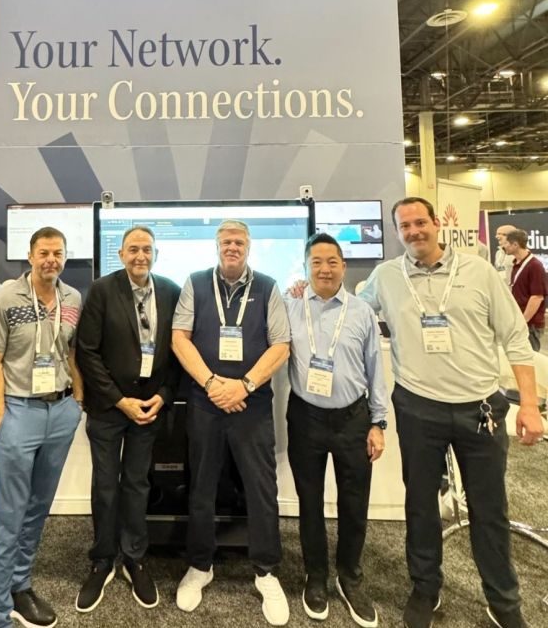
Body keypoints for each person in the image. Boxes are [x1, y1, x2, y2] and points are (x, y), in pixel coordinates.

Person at [359, 197, 543, 628]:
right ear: (397, 232)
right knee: (420, 504)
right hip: (418, 407)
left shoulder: (479, 272)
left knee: (489, 508)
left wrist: (530, 405)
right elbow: (352, 310)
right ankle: (426, 588)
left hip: (480, 407)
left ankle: (504, 600)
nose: (413, 231)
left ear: (436, 224)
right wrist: (303, 293)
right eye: (404, 226)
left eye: (420, 222)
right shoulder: (386, 276)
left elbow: (516, 338)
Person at [171, 219, 292, 626]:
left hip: (251, 404)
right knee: (202, 485)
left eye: (239, 241)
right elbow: (179, 338)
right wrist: (211, 384)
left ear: (249, 246)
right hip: (205, 403)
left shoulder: (269, 287)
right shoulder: (195, 283)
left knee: (262, 489)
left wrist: (244, 385)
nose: (232, 247)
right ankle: (200, 565)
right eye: (226, 241)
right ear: (217, 245)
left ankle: (266, 571)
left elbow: (281, 345)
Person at [0, 226, 84, 628]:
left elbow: (71, 352)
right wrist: (0, 416)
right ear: (30, 256)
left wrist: (77, 401)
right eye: (44, 253)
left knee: (38, 507)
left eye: (57, 253)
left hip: (60, 411)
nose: (51, 260)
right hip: (19, 412)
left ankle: (19, 587)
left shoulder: (72, 298)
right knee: (10, 515)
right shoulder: (7, 297)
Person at [74, 226, 181, 612]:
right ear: (120, 254)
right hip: (109, 409)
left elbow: (178, 351)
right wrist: (120, 401)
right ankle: (102, 559)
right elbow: (87, 352)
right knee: (106, 485)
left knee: (137, 483)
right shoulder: (102, 290)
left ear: (156, 254)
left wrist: (163, 396)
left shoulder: (170, 291)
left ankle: (134, 557)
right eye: (133, 249)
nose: (140, 256)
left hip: (149, 408)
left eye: (147, 249)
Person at [283, 232, 387, 627]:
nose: (324, 269)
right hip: (305, 417)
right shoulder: (290, 305)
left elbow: (376, 369)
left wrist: (378, 422)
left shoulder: (361, 312)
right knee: (309, 502)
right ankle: (316, 576)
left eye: (332, 262)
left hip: (352, 418)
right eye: (316, 262)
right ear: (305, 267)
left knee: (354, 502)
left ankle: (349, 577)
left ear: (343, 266)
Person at [501, 229, 545, 352]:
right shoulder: (516, 264)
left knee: (530, 357)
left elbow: (537, 297)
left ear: (515, 244)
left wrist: (523, 321)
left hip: (529, 325)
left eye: (506, 243)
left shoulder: (534, 266)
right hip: (519, 322)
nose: (504, 246)